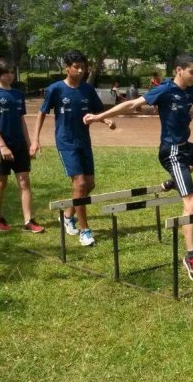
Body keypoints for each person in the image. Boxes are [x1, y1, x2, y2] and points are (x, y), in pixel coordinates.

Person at [83, 53, 193, 283]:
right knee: (191, 203)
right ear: (179, 70)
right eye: (192, 72)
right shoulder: (164, 90)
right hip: (171, 151)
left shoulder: (190, 92)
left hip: (185, 148)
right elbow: (133, 103)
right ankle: (191, 257)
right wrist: (99, 116)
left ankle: (173, 182)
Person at [31, 49, 115, 247]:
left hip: (84, 142)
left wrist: (107, 121)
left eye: (83, 67)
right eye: (76, 67)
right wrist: (35, 140)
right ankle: (85, 230)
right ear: (66, 68)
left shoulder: (87, 90)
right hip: (66, 142)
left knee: (90, 184)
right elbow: (41, 113)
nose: (80, 71)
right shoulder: (56, 89)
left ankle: (68, 215)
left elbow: (99, 112)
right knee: (80, 184)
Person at [0, 57, 44, 234]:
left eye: (11, 72)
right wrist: (2, 146)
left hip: (19, 146)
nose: (10, 75)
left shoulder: (18, 94)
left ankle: (28, 220)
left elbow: (21, 120)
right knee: (0, 182)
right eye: (6, 72)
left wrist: (30, 144)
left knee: (24, 182)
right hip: (0, 146)